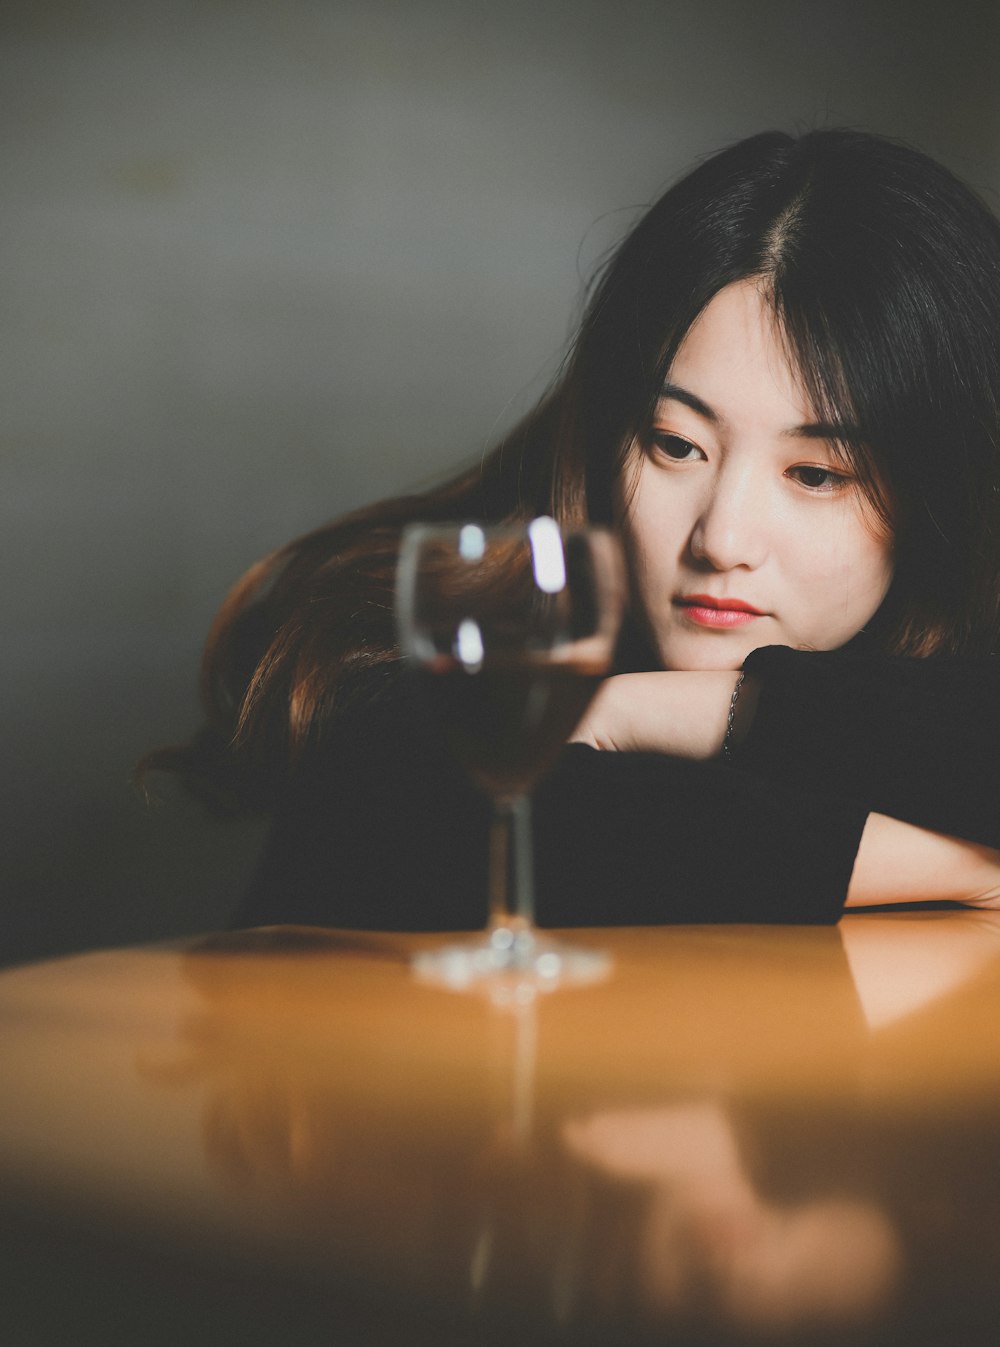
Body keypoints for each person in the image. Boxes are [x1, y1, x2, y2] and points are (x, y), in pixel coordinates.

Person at [148, 128, 1000, 931]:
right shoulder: (427, 621)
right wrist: (961, 863)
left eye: (815, 474)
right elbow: (487, 826)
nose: (723, 538)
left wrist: (644, 709)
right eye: (675, 445)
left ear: (946, 496)